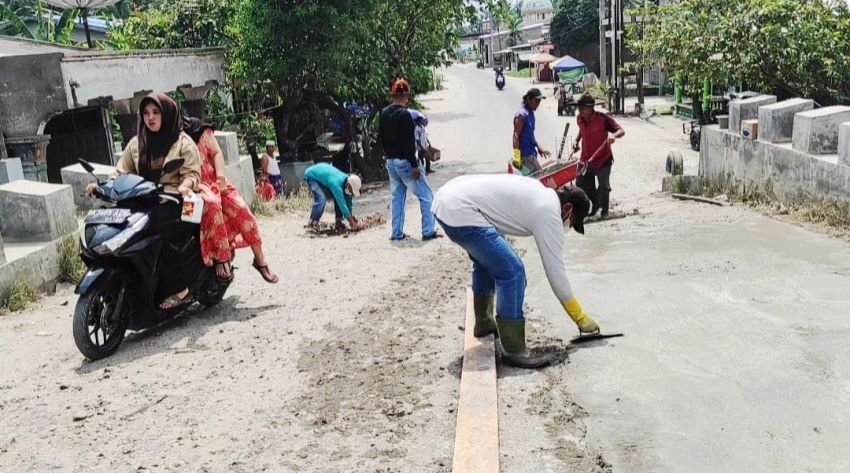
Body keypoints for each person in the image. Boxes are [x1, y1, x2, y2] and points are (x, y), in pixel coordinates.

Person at [432, 174, 596, 369]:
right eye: (573, 221)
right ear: (568, 209)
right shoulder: (549, 212)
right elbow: (555, 271)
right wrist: (580, 317)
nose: (568, 226)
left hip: (447, 201)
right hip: (460, 211)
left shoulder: (540, 192)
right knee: (513, 272)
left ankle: (484, 322)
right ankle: (514, 348)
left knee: (488, 261)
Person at [86, 92, 201, 310]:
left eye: (156, 112)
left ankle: (181, 288)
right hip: (139, 200)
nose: (151, 118)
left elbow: (192, 174)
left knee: (159, 232)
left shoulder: (182, 143)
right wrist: (100, 187)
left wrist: (186, 186)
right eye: (146, 113)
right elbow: (120, 173)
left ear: (167, 114)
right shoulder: (136, 144)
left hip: (171, 200)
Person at [183, 117, 278, 284]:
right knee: (211, 205)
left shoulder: (200, 130)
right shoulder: (164, 140)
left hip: (216, 182)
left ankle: (260, 259)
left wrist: (220, 178)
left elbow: (217, 153)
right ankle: (221, 257)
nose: (152, 117)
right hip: (192, 187)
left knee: (243, 211)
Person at [379, 79, 440, 241]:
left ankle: (396, 232)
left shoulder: (384, 113)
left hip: (391, 161)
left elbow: (381, 139)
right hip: (405, 162)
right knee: (426, 195)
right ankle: (428, 231)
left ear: (392, 94)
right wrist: (414, 165)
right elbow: (408, 144)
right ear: (406, 95)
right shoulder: (405, 115)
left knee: (397, 197)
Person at [572, 94, 625, 219]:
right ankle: (593, 207)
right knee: (582, 184)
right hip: (586, 160)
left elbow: (621, 131)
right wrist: (576, 141)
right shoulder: (580, 118)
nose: (580, 111)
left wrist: (613, 136)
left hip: (603, 159)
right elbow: (581, 131)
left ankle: (604, 211)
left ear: (591, 108)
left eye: (582, 108)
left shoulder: (603, 119)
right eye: (579, 108)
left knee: (604, 186)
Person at [303, 162, 365, 231]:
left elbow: (348, 204)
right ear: (349, 186)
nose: (352, 193)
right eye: (352, 191)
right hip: (312, 176)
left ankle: (339, 222)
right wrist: (353, 223)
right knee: (321, 199)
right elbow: (342, 204)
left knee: (338, 198)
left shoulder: (347, 183)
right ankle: (312, 223)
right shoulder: (336, 185)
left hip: (324, 178)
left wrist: (351, 217)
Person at [512, 88, 551, 174]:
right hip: (525, 156)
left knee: (534, 180)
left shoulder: (531, 114)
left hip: (532, 153)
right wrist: (516, 158)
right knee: (539, 178)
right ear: (529, 99)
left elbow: (530, 135)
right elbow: (516, 136)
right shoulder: (521, 115)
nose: (538, 104)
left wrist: (538, 147)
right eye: (536, 101)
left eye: (539, 102)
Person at [410, 110, 433, 174]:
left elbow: (425, 136)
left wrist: (429, 143)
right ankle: (423, 171)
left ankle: (428, 169)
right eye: (421, 120)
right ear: (417, 121)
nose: (422, 121)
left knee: (427, 158)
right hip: (421, 147)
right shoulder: (416, 129)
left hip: (425, 144)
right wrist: (420, 147)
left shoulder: (422, 127)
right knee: (421, 159)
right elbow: (417, 139)